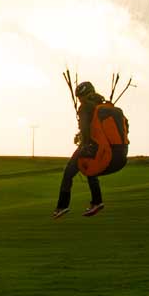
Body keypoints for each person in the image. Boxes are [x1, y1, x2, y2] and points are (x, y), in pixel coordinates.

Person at [53, 81, 129, 218]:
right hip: (115, 151)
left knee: (69, 173)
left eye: (79, 97)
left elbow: (85, 129)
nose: (79, 100)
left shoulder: (85, 107)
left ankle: (62, 206)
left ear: (82, 96)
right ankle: (96, 202)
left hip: (92, 145)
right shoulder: (105, 105)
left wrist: (84, 141)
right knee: (90, 166)